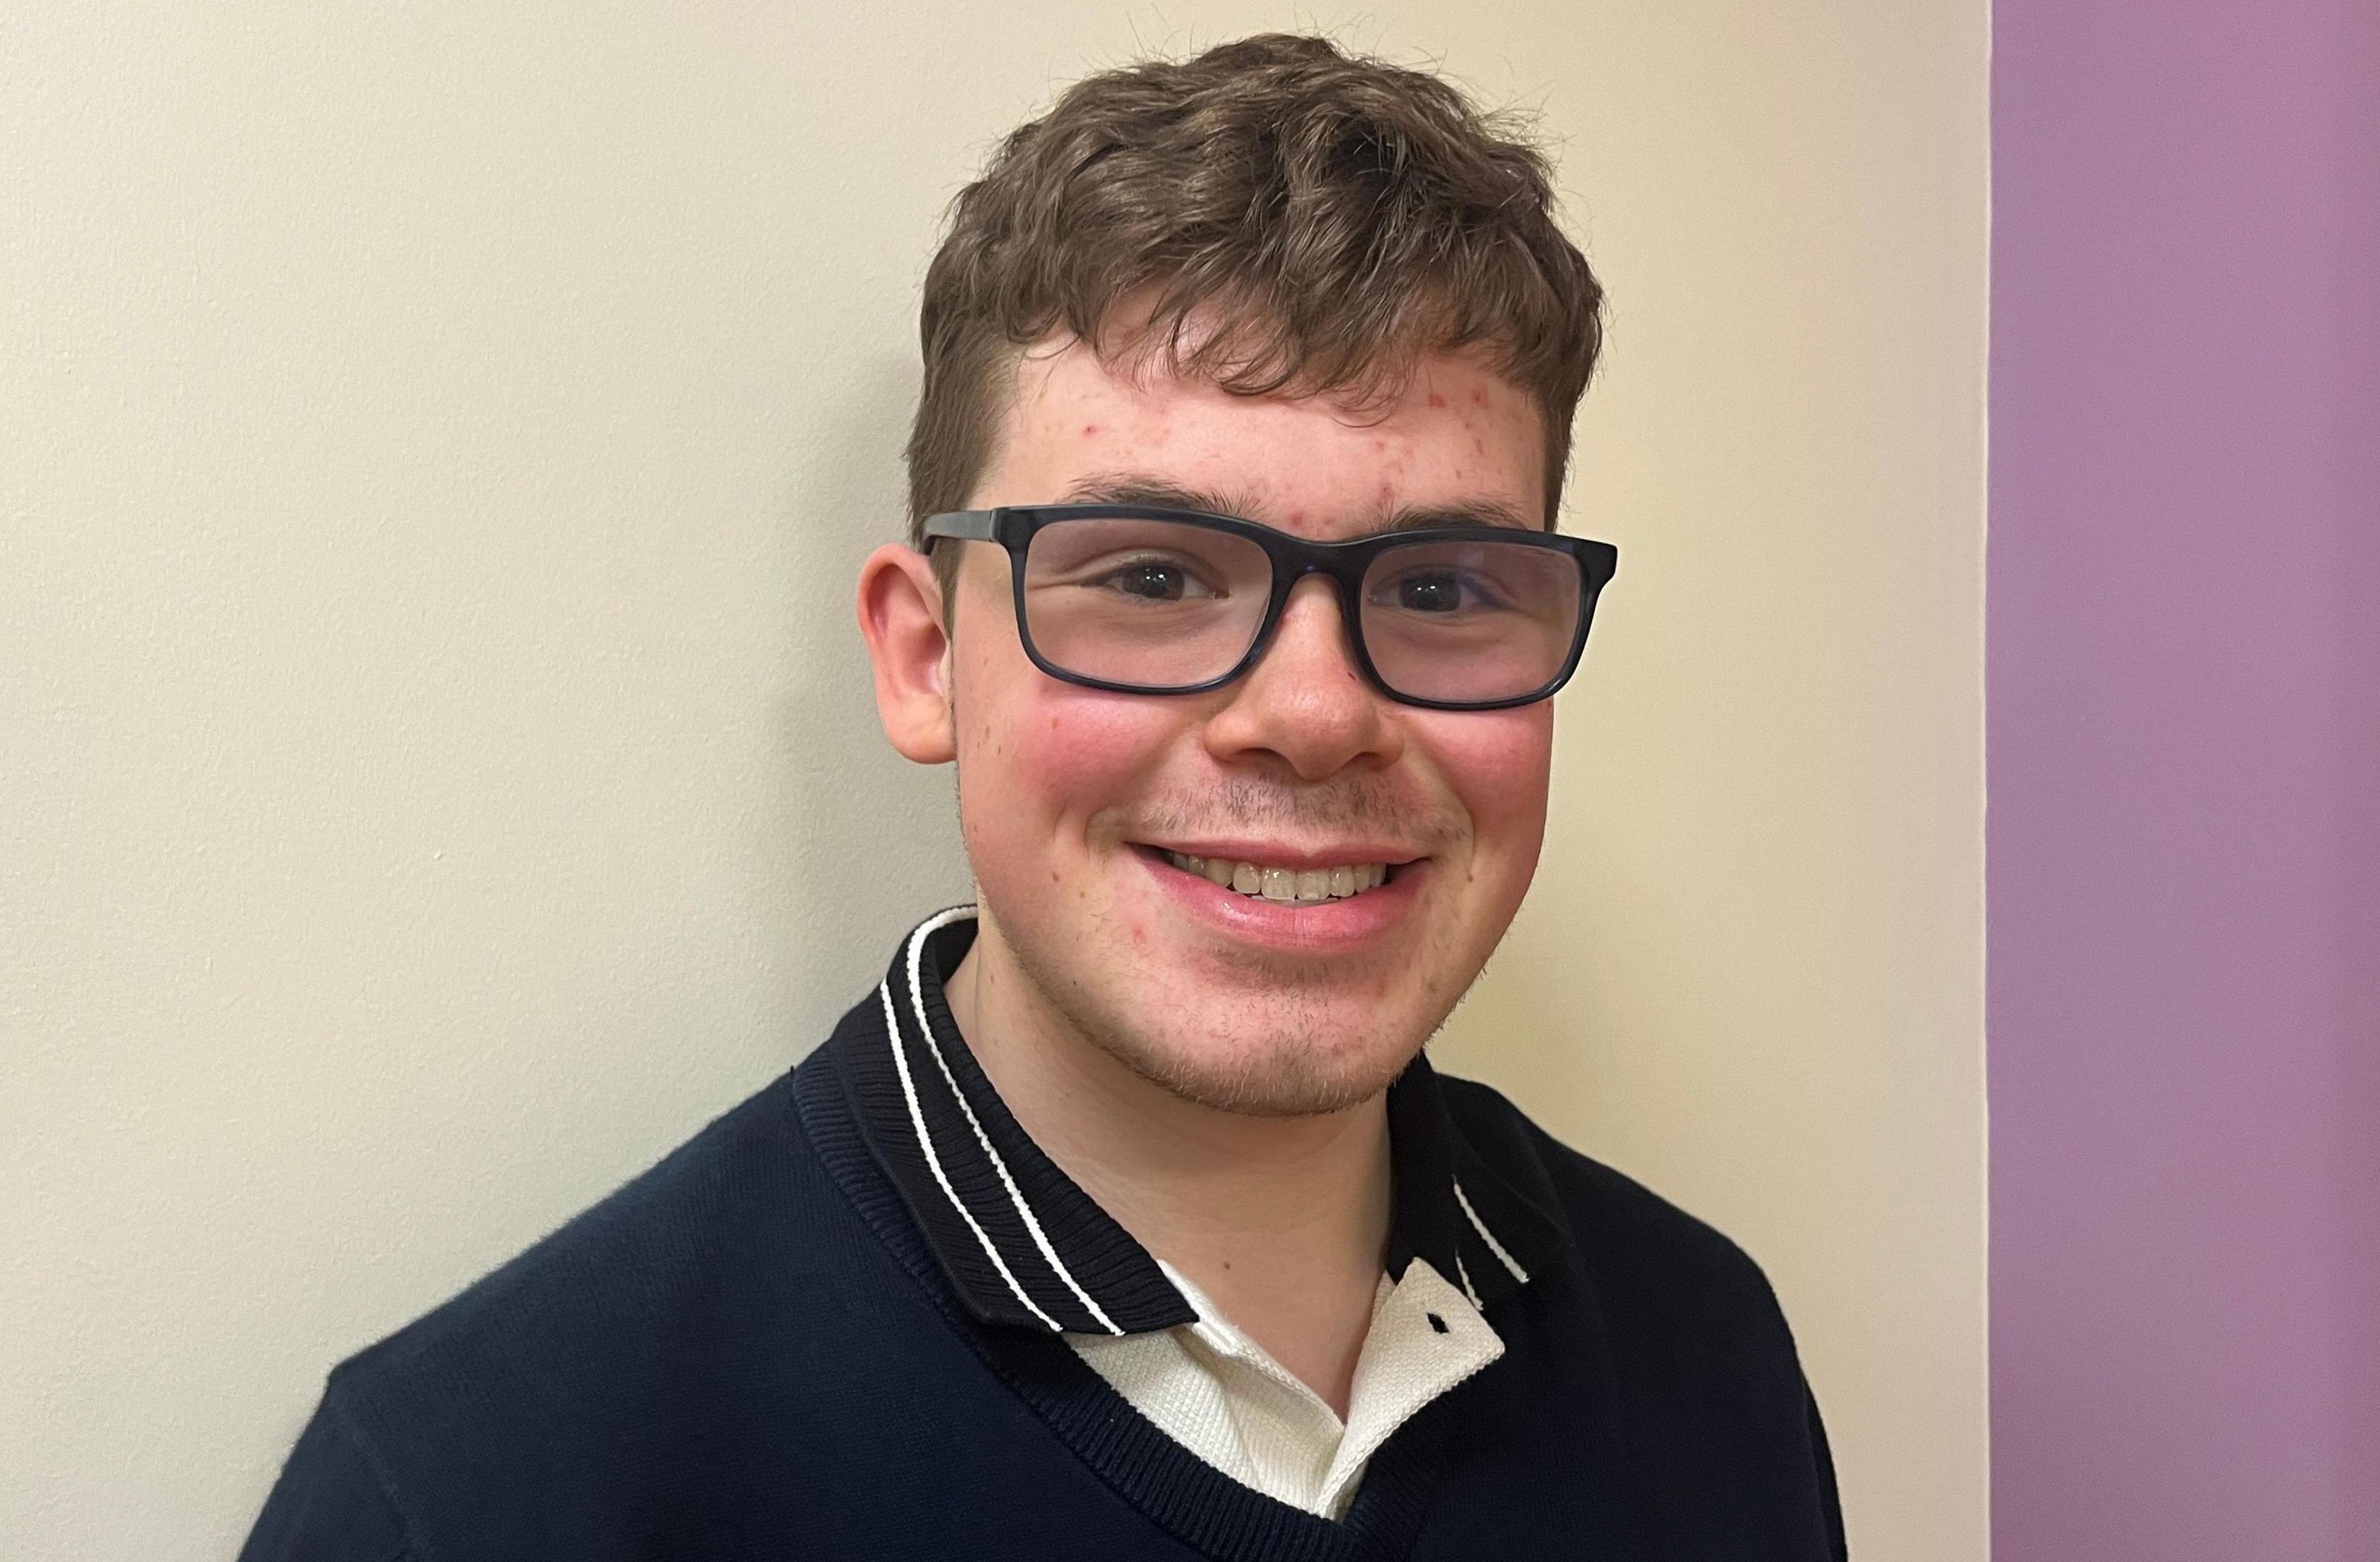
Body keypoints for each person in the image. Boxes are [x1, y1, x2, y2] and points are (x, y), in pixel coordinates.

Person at [242, 33, 1843, 1561]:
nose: (1312, 713)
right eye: (1152, 575)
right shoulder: (485, 1498)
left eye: (1438, 589)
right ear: (929, 654)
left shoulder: (1705, 1361)